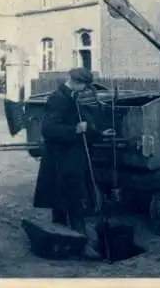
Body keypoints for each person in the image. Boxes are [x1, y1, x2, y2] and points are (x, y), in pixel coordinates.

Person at [32, 67, 112, 259]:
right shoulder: (58, 99)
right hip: (60, 161)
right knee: (74, 201)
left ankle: (62, 241)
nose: (84, 89)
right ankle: (81, 244)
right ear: (72, 80)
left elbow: (83, 128)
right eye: (81, 84)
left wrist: (100, 134)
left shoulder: (72, 97)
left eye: (84, 85)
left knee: (62, 201)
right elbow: (49, 129)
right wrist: (74, 130)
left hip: (72, 159)